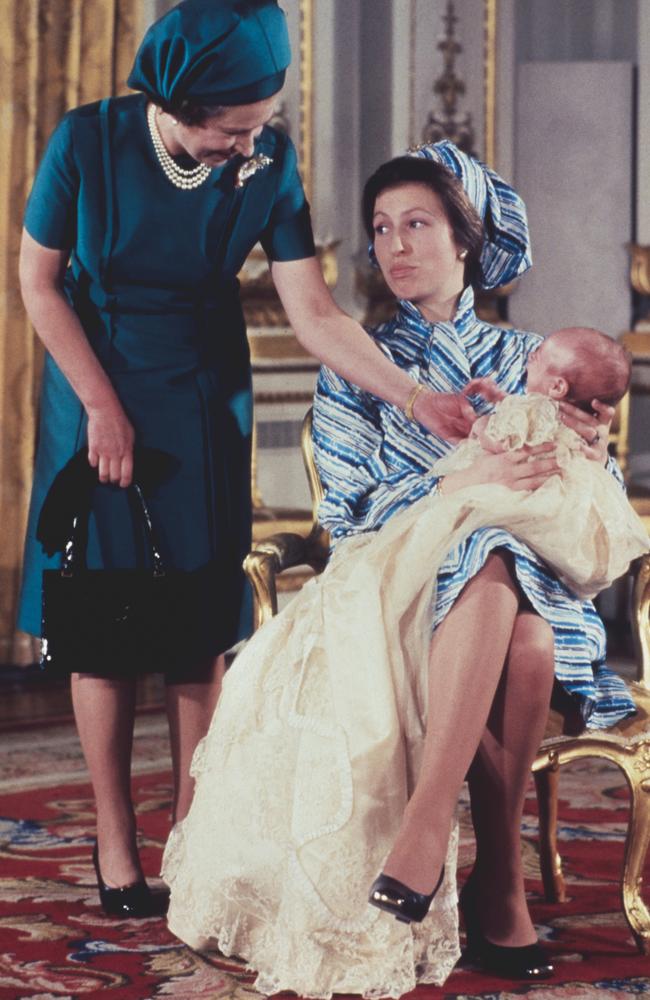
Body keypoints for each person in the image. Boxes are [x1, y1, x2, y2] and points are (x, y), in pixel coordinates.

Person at [16, 1, 477, 920]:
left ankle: (195, 842)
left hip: (198, 394)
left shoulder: (269, 160)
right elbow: (36, 281)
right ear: (183, 103)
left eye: (261, 124)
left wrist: (416, 397)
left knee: (197, 628)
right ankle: (116, 846)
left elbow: (313, 313)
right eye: (235, 128)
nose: (251, 143)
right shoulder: (86, 142)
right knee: (104, 628)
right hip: (94, 381)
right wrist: (101, 407)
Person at [161, 142, 641, 995]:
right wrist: (470, 484)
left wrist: (584, 455)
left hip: (528, 588)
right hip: (391, 580)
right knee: (486, 560)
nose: (395, 246)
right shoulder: (355, 365)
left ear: (467, 242)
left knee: (516, 604)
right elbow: (344, 516)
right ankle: (478, 865)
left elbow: (580, 497)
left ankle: (466, 853)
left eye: (417, 224)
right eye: (382, 229)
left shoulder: (536, 357)